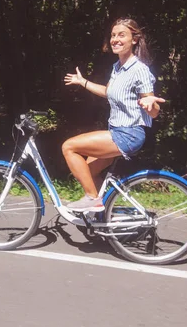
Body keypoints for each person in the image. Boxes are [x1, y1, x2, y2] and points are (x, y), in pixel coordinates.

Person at [62, 17, 165, 212]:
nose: (115, 39)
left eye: (122, 35)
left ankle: (93, 200)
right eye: (113, 35)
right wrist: (82, 82)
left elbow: (153, 111)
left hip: (128, 134)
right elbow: (107, 92)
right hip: (117, 131)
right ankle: (102, 215)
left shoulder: (139, 70)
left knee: (69, 147)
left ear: (134, 40)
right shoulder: (117, 68)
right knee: (87, 171)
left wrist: (151, 103)